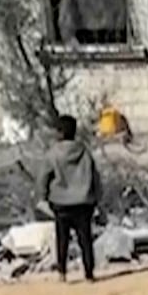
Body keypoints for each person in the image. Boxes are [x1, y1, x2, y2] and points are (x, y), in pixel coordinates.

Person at [37, 114, 102, 282]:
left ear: (59, 133)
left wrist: (42, 197)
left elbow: (43, 177)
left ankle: (62, 272)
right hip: (83, 202)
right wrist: (97, 198)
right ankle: (89, 273)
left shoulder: (53, 154)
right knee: (85, 239)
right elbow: (95, 177)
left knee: (62, 238)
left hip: (60, 203)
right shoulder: (85, 152)